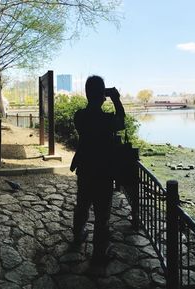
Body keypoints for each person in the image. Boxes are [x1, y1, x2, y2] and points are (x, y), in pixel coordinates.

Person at [69, 75, 125, 265]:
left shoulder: (80, 116)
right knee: (102, 214)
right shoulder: (106, 119)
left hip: (84, 168)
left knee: (82, 204)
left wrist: (100, 96)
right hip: (103, 171)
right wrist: (116, 99)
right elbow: (121, 123)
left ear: (86, 94)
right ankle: (99, 251)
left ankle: (78, 234)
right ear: (102, 95)